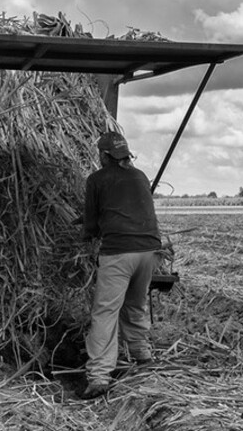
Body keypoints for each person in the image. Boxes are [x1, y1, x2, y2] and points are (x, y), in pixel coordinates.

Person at [78, 130, 162, 400]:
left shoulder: (97, 179)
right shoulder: (139, 176)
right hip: (149, 251)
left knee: (105, 312)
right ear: (125, 154)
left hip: (119, 253)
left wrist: (85, 236)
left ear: (104, 156)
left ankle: (100, 376)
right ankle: (142, 355)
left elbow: (91, 224)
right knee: (135, 305)